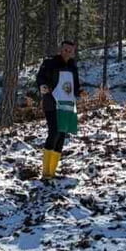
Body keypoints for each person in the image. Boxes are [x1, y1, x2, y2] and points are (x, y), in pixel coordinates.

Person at [35, 40, 83, 179]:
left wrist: (80, 92)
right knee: (54, 131)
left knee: (62, 134)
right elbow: (40, 78)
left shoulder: (73, 66)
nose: (67, 52)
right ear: (60, 49)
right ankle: (45, 172)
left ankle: (52, 171)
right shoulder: (50, 62)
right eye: (65, 49)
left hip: (67, 105)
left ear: (73, 52)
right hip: (51, 102)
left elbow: (75, 85)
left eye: (70, 50)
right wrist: (42, 86)